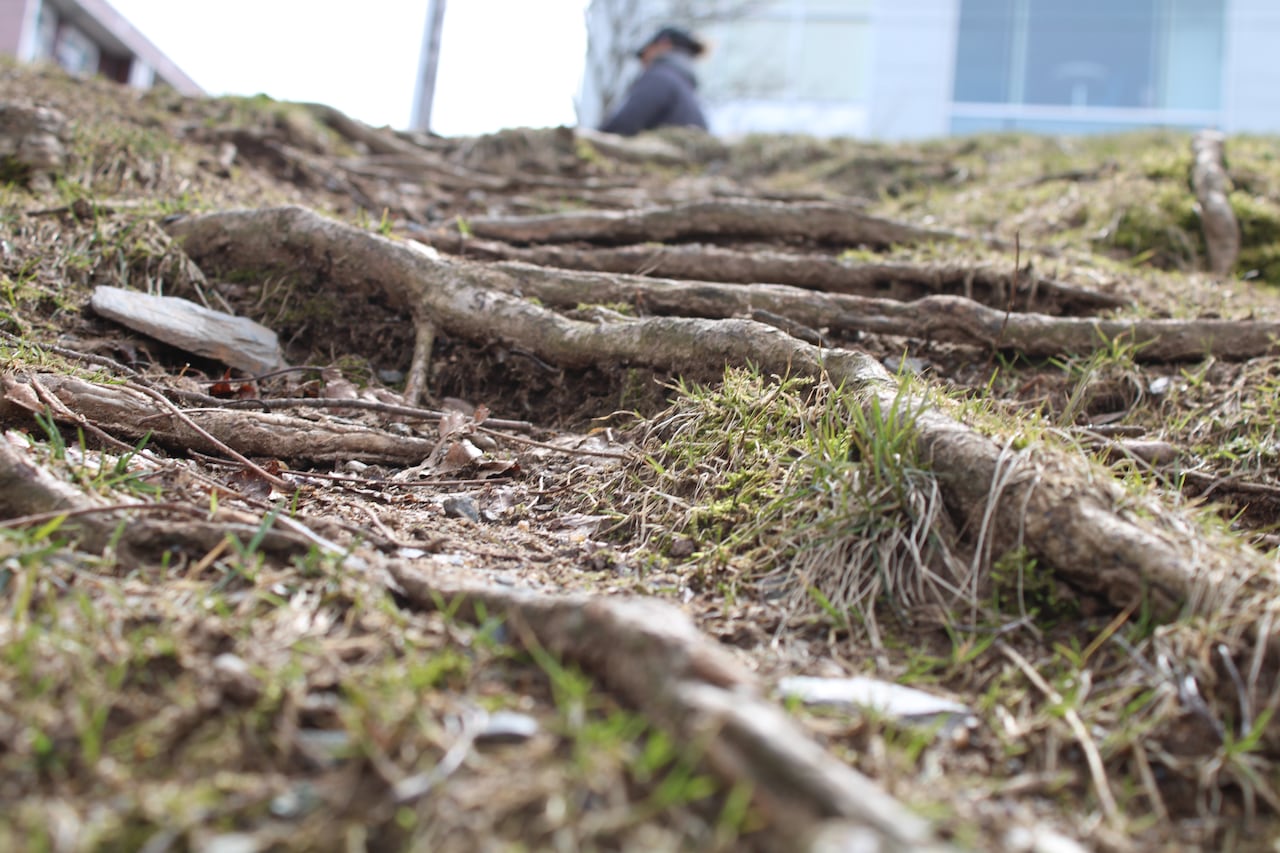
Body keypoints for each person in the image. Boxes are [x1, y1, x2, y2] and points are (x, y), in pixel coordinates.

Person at [600, 26, 709, 136]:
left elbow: (624, 124)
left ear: (664, 44)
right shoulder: (686, 88)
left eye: (644, 54)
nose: (643, 65)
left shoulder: (660, 77)